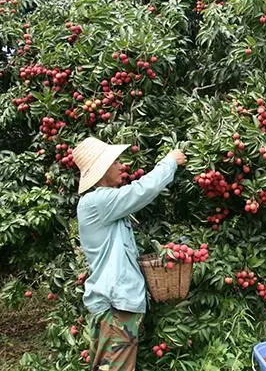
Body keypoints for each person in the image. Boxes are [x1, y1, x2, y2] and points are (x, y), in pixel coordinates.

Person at [72, 137, 187, 371]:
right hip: (114, 306)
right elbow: (141, 191)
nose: (121, 166)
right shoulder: (97, 202)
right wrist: (169, 162)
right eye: (115, 162)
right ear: (102, 169)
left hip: (115, 306)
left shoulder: (105, 205)